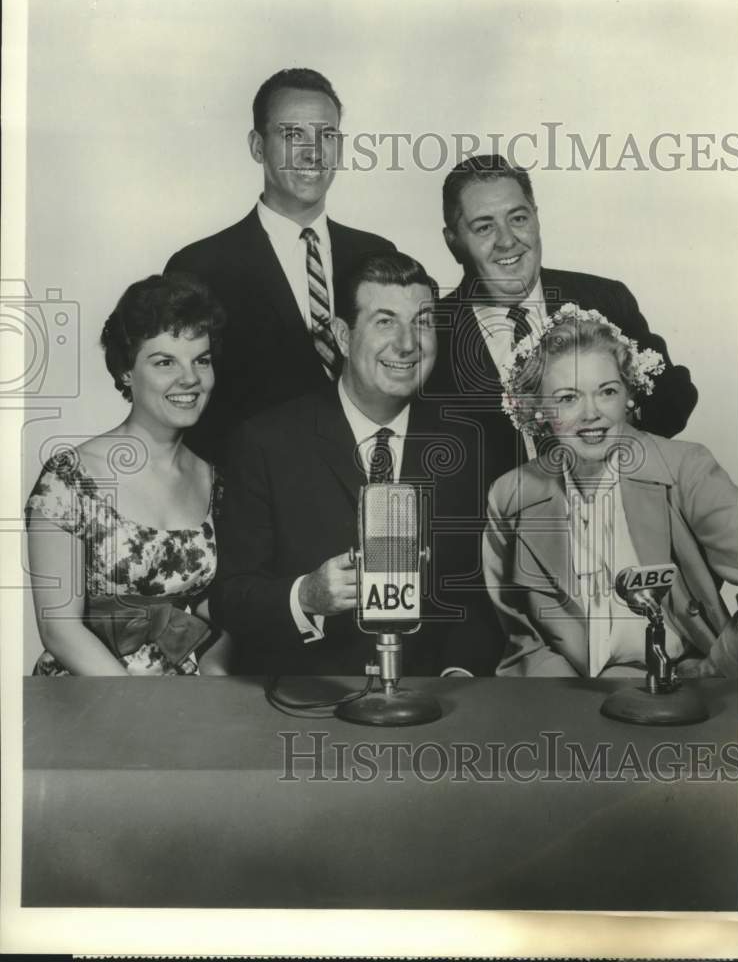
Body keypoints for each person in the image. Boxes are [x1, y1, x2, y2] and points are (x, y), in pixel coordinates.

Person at [212, 250, 503, 676]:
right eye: (385, 321)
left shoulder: (467, 446)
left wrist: (458, 676)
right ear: (343, 337)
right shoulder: (266, 442)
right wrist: (304, 596)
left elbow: (479, 598)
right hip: (307, 703)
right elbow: (229, 598)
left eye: (422, 322)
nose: (407, 344)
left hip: (433, 707)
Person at [483, 304, 738, 678]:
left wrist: (716, 673)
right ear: (537, 410)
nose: (591, 413)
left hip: (688, 695)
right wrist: (573, 707)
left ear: (629, 397)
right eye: (568, 398)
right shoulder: (511, 495)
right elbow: (525, 640)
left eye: (606, 391)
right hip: (568, 701)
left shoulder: (686, 468)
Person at [426, 155, 698, 493]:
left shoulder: (604, 299)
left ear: (537, 218)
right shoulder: (430, 332)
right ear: (453, 241)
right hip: (492, 536)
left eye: (518, 218)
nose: (508, 240)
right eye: (484, 227)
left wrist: (618, 423)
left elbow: (675, 391)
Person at [165, 67, 395, 463]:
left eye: (327, 136)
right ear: (257, 146)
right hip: (250, 502)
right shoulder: (199, 268)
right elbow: (183, 407)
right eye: (292, 135)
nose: (313, 152)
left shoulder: (377, 256)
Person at [25, 274, 229, 676]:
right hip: (92, 694)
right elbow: (59, 629)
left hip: (187, 697)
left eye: (201, 360)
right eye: (164, 361)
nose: (189, 378)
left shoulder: (215, 480)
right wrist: (140, 710)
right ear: (125, 373)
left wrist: (215, 680)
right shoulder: (70, 478)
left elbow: (217, 609)